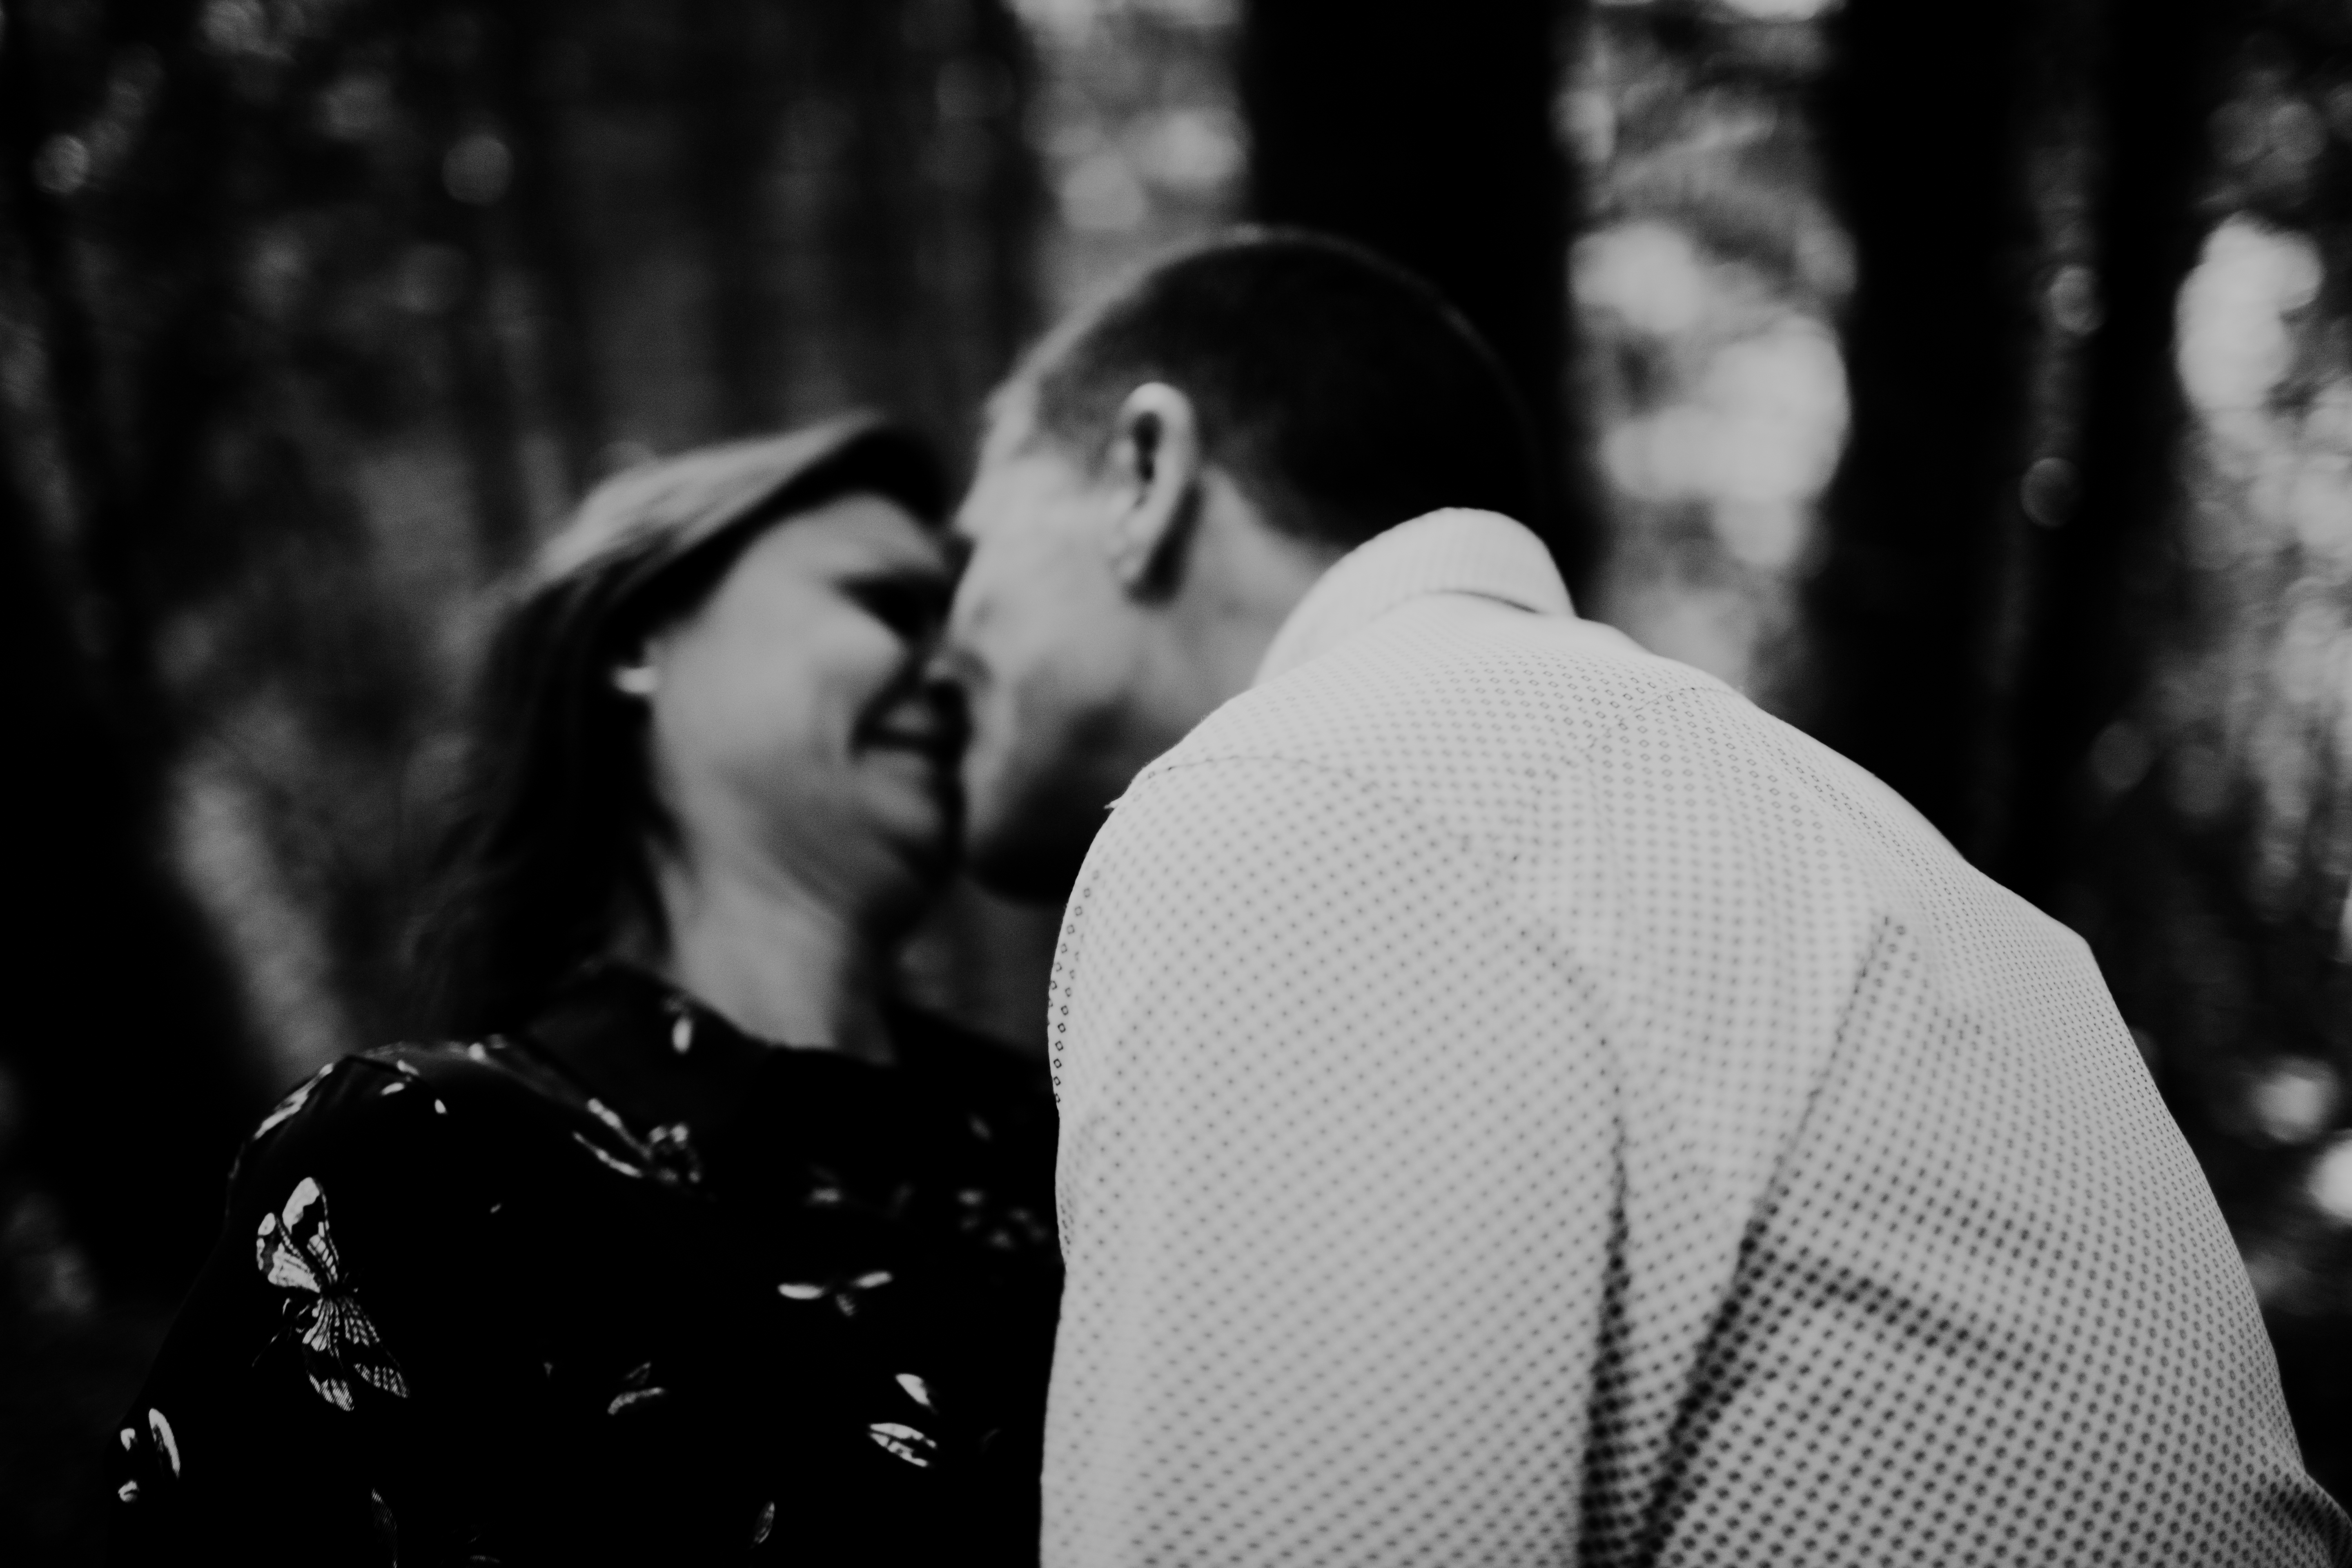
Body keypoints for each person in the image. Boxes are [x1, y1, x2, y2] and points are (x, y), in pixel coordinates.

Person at [938, 230, 2352, 1565]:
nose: (941, 649)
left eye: (970, 554)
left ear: (1143, 474)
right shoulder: (1834, 830)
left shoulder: (1306, 789)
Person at [109, 416, 1061, 1567]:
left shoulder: (1076, 1129)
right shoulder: (423, 1162)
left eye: (965, 622)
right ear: (640, 638)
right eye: (890, 603)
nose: (958, 664)